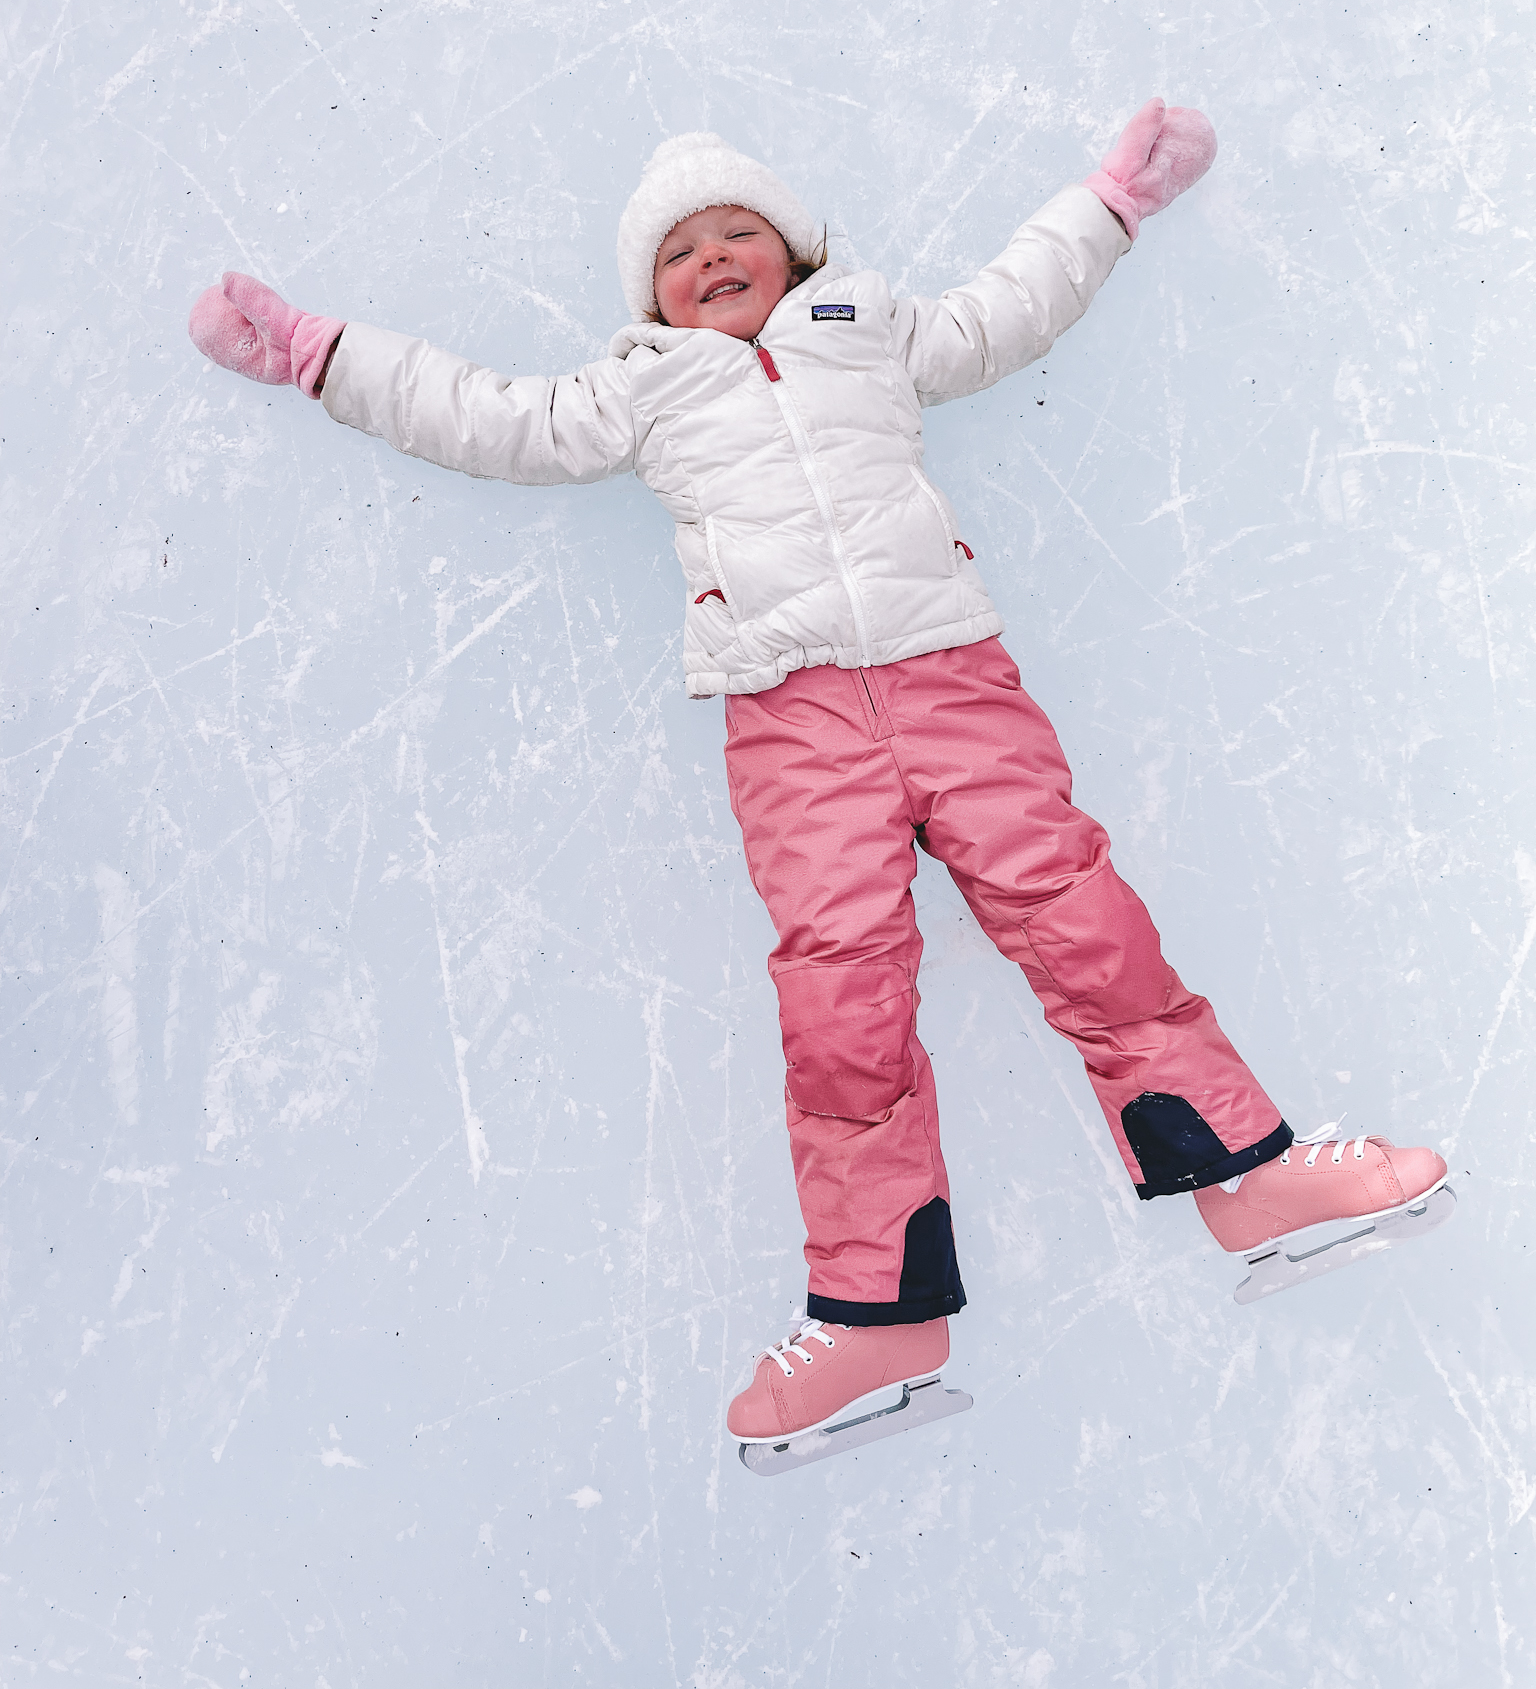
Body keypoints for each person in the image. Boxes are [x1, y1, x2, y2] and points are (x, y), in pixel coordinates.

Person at [187, 102, 1449, 1450]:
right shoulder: (641, 385)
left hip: (950, 679)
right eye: (679, 253)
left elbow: (1011, 307)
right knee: (839, 1001)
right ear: (650, 299)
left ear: (794, 253)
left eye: (741, 231)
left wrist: (1111, 202)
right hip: (790, 723)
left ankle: (1247, 1177)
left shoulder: (872, 331)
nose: (713, 258)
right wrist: (324, 356)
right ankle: (876, 1314)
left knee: (1087, 923)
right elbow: (491, 418)